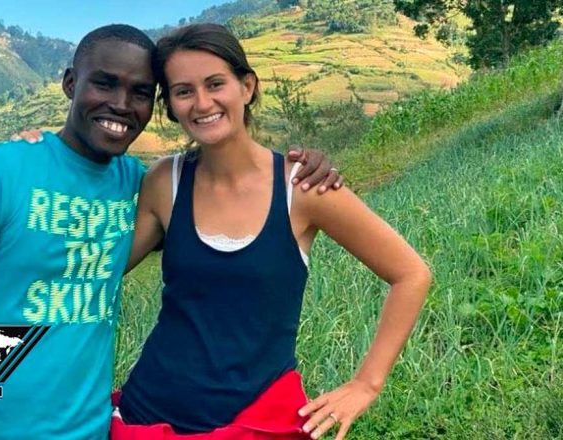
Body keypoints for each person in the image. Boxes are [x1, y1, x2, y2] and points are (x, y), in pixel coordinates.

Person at [0, 24, 342, 440]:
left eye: (140, 92)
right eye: (104, 83)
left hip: (99, 429)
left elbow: (222, 218)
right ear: (70, 83)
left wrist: (308, 170)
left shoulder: (138, 185)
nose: (121, 104)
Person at [109, 24, 433, 440]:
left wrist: (366, 384)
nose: (202, 103)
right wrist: (42, 154)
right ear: (170, 105)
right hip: (148, 417)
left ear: (247, 87)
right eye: (184, 91)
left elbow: (410, 274)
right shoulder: (165, 181)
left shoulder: (303, 187)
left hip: (256, 423)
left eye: (215, 84)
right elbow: (98, 271)